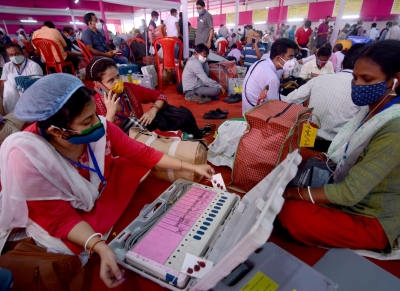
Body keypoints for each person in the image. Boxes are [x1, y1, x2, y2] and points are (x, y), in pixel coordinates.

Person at [0, 73, 214, 289]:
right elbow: (60, 219)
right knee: (71, 242)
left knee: (132, 166)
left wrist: (192, 166)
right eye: (87, 121)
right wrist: (100, 247)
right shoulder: (28, 158)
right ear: (57, 132)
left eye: (95, 114)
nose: (99, 123)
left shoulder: (101, 127)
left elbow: (142, 153)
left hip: (96, 191)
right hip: (58, 212)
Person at [279, 40, 400, 252]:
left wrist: (294, 193)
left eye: (367, 79)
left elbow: (350, 193)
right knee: (299, 160)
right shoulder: (372, 108)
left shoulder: (394, 128)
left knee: (292, 213)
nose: (358, 85)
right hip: (337, 165)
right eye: (355, 77)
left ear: (395, 81)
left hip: (370, 216)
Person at [87, 58, 203, 138]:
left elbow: (159, 96)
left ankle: (195, 137)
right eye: (111, 80)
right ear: (98, 85)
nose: (118, 82)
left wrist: (153, 110)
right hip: (124, 145)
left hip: (142, 131)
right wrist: (110, 114)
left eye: (118, 76)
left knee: (181, 114)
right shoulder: (94, 106)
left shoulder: (128, 88)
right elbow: (103, 140)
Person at [285, 44, 364, 152]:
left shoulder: (319, 79)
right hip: (338, 144)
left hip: (310, 134)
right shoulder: (363, 89)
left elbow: (289, 99)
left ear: (341, 64)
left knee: (301, 159)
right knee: (329, 165)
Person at [242, 38, 298, 113]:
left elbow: (263, 86)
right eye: (290, 57)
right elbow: (274, 110)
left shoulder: (261, 63)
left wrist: (282, 85)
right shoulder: (272, 78)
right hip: (256, 115)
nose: (293, 61)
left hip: (247, 109)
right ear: (279, 58)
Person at [0, 44, 43, 114]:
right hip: (13, 98)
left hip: (30, 96)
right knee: (8, 84)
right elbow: (3, 84)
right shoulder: (7, 66)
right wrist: (1, 99)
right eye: (11, 55)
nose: (14, 56)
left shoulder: (33, 66)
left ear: (22, 52)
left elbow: (38, 86)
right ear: (8, 56)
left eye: (16, 53)